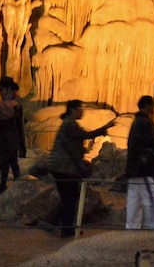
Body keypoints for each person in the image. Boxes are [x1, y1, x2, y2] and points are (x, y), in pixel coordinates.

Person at [48, 100, 113, 237]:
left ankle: (54, 223)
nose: (82, 111)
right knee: (70, 199)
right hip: (64, 167)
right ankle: (66, 229)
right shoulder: (70, 124)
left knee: (68, 198)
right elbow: (84, 135)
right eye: (80, 108)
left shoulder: (69, 124)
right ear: (73, 109)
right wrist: (104, 128)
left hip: (60, 166)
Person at [126, 95, 154, 230]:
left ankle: (132, 227)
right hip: (142, 166)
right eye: (152, 105)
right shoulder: (144, 122)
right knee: (151, 196)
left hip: (134, 166)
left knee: (134, 198)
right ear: (147, 106)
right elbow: (149, 140)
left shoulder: (136, 122)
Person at [0, 77, 25, 194]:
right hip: (7, 138)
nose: (0, 92)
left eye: (1, 90)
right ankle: (12, 184)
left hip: (8, 138)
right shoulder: (11, 104)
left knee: (7, 161)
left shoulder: (13, 104)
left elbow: (3, 112)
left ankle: (7, 185)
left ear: (9, 89)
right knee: (10, 162)